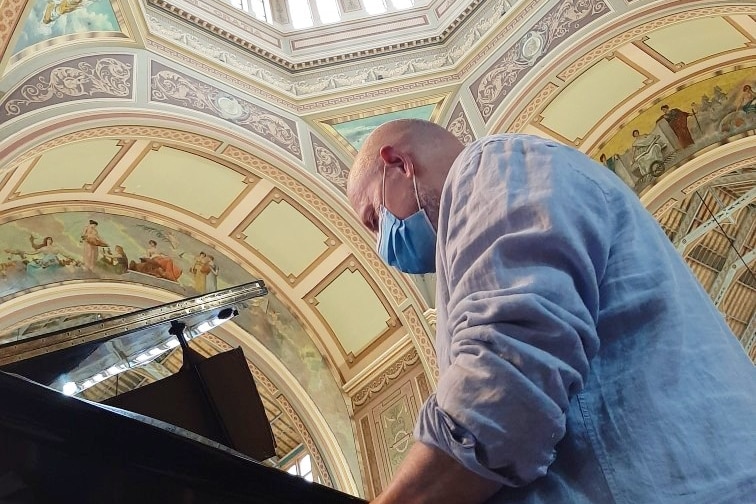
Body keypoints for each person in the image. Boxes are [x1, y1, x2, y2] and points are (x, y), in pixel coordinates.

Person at [346, 119, 756, 504]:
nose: (383, 244)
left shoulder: (490, 166)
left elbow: (505, 389)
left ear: (398, 163)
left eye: (373, 219)